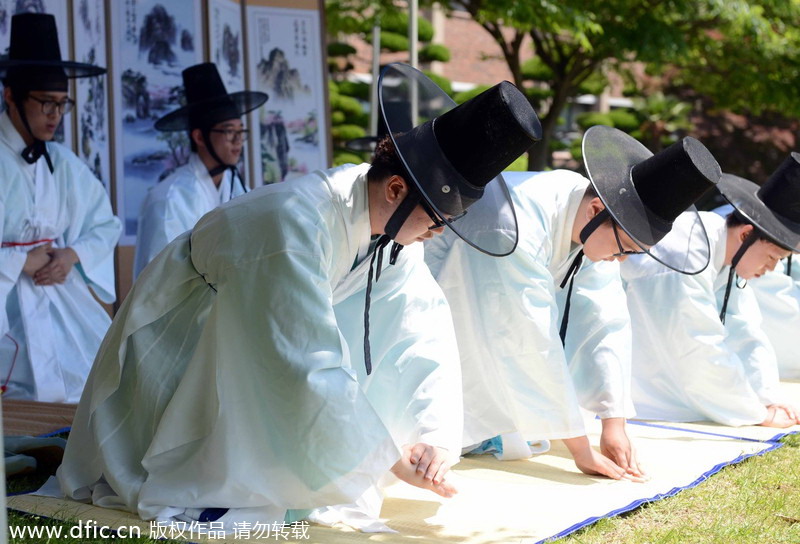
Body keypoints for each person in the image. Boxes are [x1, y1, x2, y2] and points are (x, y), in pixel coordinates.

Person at [56, 64, 541, 530]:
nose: (435, 235)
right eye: (435, 221)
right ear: (396, 189)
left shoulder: (385, 222)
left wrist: (431, 434)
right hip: (189, 343)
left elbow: (423, 325)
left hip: (251, 341)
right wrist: (388, 456)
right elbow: (306, 363)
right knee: (218, 484)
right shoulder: (296, 222)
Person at [426, 126, 721, 480]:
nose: (621, 260)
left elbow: (606, 318)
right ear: (597, 209)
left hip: (490, 314)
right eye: (625, 248)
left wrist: (614, 423)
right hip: (439, 307)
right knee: (448, 424)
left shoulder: (587, 212)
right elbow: (527, 340)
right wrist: (582, 451)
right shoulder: (511, 226)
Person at [621, 153, 800, 427]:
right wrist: (756, 413)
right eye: (772, 257)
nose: (771, 268)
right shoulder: (687, 253)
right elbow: (696, 346)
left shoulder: (727, 248)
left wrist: (767, 397)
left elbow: (744, 329)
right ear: (745, 233)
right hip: (639, 377)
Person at [0, 13, 120, 403]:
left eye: (62, 104)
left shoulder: (62, 162)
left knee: (91, 384)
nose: (55, 115)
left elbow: (105, 224)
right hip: (7, 303)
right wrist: (19, 261)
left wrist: (70, 255)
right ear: (11, 96)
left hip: (57, 298)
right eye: (46, 103)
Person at [133, 63, 267, 277]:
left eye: (241, 132)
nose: (238, 141)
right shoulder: (169, 200)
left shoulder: (241, 191)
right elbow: (160, 280)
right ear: (199, 137)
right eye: (229, 132)